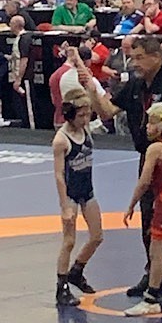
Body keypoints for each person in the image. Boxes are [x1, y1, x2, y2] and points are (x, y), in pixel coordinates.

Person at [84, 37, 162, 301]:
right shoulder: (135, 85)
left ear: (156, 57)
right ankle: (154, 271)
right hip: (148, 158)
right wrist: (91, 88)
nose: (133, 63)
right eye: (132, 58)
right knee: (149, 219)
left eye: (138, 57)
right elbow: (107, 111)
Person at [123, 100, 162, 316]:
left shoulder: (155, 148)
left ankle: (151, 299)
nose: (147, 127)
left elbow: (144, 181)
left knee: (156, 251)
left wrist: (131, 204)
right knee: (156, 240)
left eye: (152, 123)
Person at [52, 86, 103, 306]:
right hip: (71, 194)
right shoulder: (61, 141)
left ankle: (76, 271)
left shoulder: (86, 130)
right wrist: (65, 206)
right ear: (69, 114)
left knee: (97, 236)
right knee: (69, 241)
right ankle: (61, 288)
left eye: (87, 114)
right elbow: (58, 174)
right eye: (80, 115)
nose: (85, 119)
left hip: (87, 191)